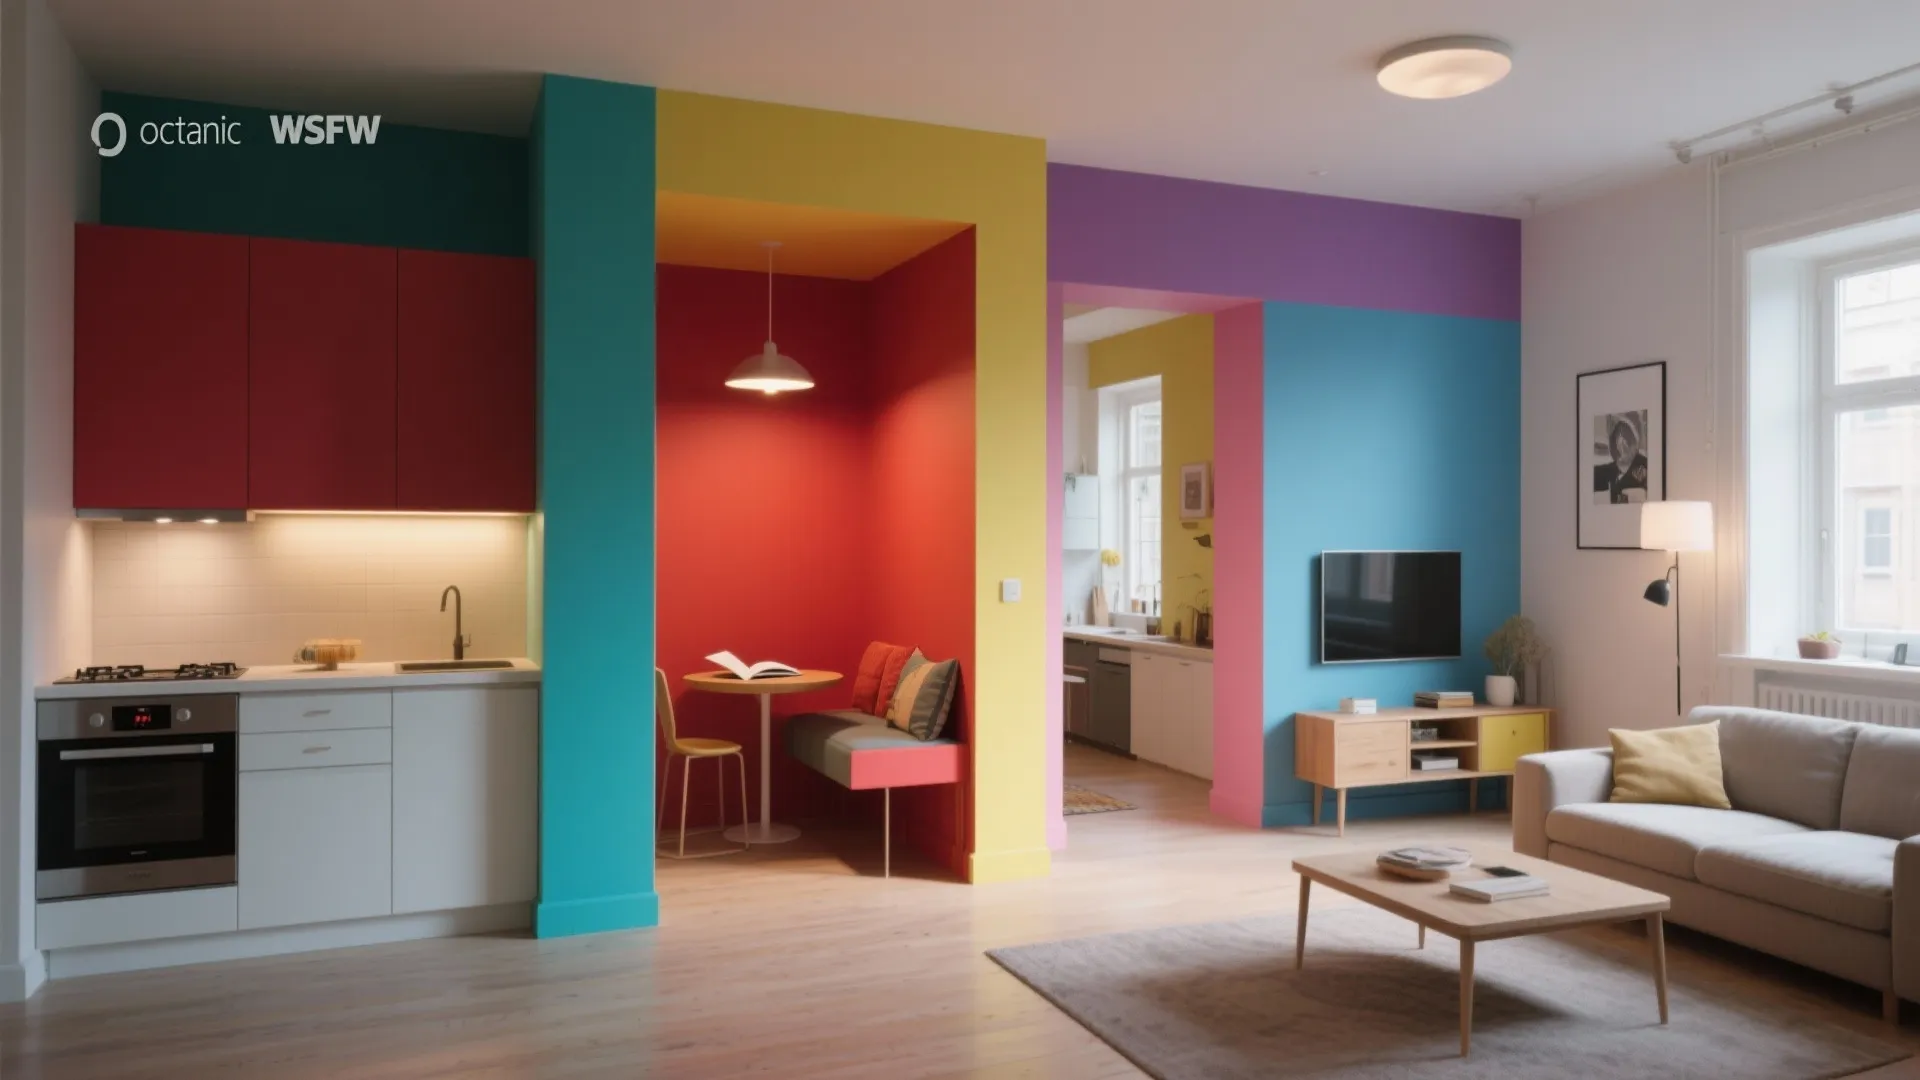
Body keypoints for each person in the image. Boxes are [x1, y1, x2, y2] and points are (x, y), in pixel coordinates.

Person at [1593, 417, 1648, 503]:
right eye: (1619, 442)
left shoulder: (1644, 465)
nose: (1623, 447)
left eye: (1627, 440)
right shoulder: (1607, 470)